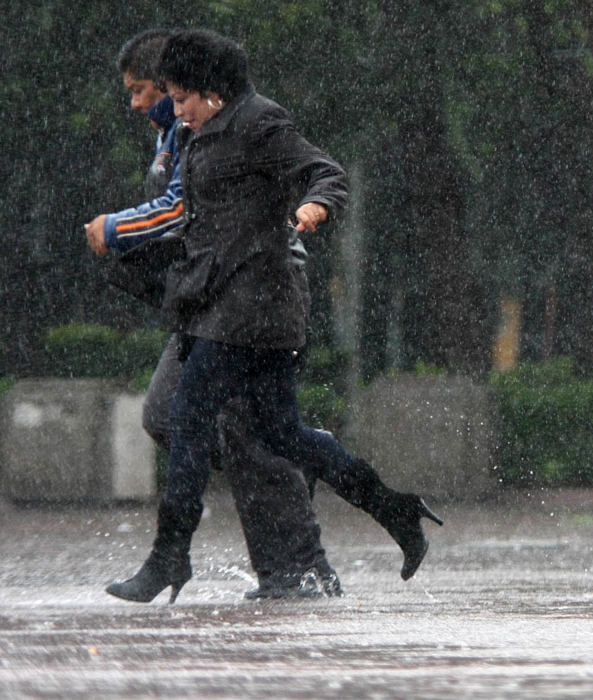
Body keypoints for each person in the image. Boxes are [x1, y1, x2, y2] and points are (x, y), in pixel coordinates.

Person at [106, 29, 441, 604]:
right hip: (219, 301)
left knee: (190, 418)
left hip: (255, 305)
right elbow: (194, 215)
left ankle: (170, 559)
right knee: (278, 432)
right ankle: (394, 508)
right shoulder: (196, 133)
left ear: (211, 91)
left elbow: (326, 171)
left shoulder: (260, 122)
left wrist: (314, 206)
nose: (173, 110)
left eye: (180, 98)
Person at [87, 29, 341, 599]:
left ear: (184, 87)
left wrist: (116, 230)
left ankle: (299, 570)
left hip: (250, 293)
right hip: (205, 297)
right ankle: (300, 453)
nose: (136, 103)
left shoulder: (223, 127)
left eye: (143, 90)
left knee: (240, 429)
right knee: (169, 418)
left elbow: (182, 210)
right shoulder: (179, 134)